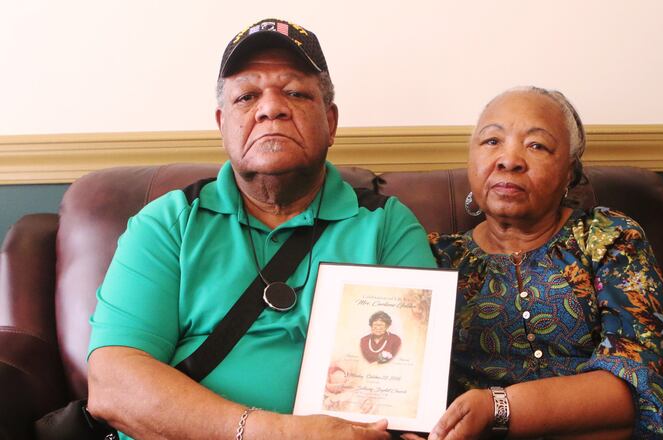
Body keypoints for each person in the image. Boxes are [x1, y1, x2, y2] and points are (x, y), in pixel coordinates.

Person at [86, 18, 436, 440]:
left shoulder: (387, 226)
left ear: (330, 121)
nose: (271, 108)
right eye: (247, 96)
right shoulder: (168, 222)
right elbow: (112, 383)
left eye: (294, 92)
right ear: (222, 124)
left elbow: (410, 391)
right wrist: (278, 433)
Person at [427, 87, 663, 439]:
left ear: (570, 172)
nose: (509, 159)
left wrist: (495, 407)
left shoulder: (606, 239)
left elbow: (653, 383)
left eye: (536, 145)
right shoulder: (437, 259)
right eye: (491, 141)